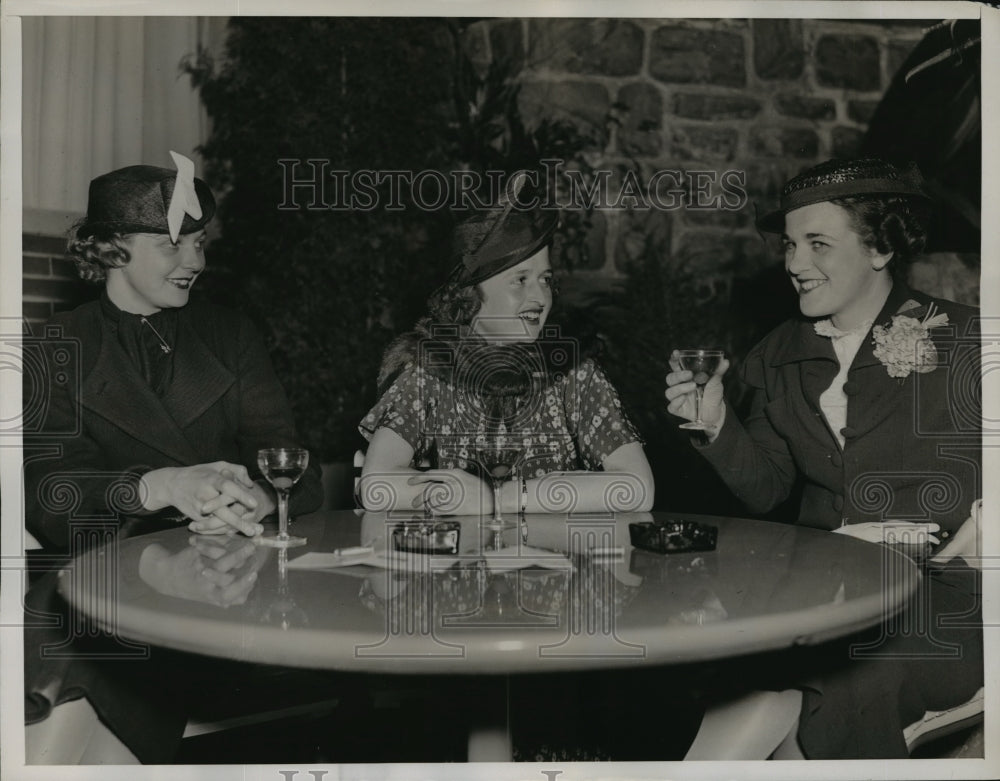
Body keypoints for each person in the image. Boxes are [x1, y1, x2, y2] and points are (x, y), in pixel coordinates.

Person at [665, 157, 982, 758]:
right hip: (816, 592)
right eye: (789, 244)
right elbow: (766, 489)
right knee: (745, 681)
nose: (793, 264)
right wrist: (716, 426)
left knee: (841, 679)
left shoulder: (964, 340)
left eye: (817, 244)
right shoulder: (778, 353)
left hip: (944, 601)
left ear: (880, 249)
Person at [22, 152, 323, 763]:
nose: (196, 261)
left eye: (201, 243)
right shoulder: (53, 346)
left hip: (229, 585)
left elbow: (299, 468)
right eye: (171, 244)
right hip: (102, 583)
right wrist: (160, 486)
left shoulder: (230, 334)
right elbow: (51, 498)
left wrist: (257, 497)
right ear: (111, 249)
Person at [358, 173, 654, 515]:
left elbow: (638, 487)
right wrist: (454, 494)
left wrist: (497, 498)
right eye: (521, 280)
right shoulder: (432, 372)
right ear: (472, 294)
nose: (539, 296)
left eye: (545, 280)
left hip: (555, 564)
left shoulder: (574, 374)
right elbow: (375, 485)